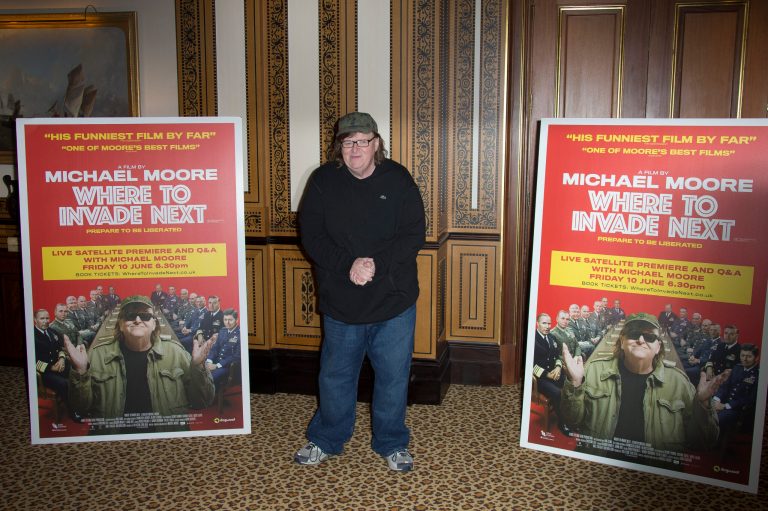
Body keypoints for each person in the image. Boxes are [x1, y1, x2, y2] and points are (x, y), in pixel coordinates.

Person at [295, 112, 425, 471]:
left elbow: (414, 234)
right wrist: (348, 264)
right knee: (336, 376)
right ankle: (326, 438)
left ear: (376, 144)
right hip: (342, 302)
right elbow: (312, 237)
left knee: (393, 376)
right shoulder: (322, 181)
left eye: (362, 141)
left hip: (393, 301)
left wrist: (375, 264)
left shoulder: (398, 179)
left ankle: (391, 442)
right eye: (347, 142)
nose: (355, 149)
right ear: (340, 146)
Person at [560, 313, 726, 462]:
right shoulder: (594, 371)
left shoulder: (679, 382)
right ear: (622, 341)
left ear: (658, 347)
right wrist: (574, 383)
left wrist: (704, 406)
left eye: (649, 337)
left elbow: (702, 442)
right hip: (597, 466)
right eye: (633, 334)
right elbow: (571, 421)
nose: (641, 339)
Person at [64, 295, 215, 434]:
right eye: (130, 315)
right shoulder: (97, 355)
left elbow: (201, 401)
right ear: (120, 324)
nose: (137, 319)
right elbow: (80, 408)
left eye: (145, 316)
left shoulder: (177, 353)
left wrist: (199, 367)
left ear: (154, 323)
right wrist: (81, 372)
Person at [714, 344, 759, 440]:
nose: (745, 359)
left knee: (717, 418)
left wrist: (725, 406)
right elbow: (725, 386)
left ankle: (714, 442)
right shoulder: (737, 368)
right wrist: (716, 400)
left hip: (738, 409)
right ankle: (702, 438)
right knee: (703, 409)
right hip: (722, 403)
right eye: (742, 355)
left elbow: (750, 399)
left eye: (749, 356)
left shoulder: (758, 374)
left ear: (756, 358)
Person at [531, 313, 567, 432]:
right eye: (544, 323)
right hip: (540, 378)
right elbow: (530, 365)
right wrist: (547, 374)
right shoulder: (532, 338)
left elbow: (557, 356)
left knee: (569, 383)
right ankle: (562, 423)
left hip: (553, 373)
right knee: (557, 393)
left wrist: (557, 367)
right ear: (537, 323)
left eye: (549, 323)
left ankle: (571, 415)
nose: (547, 326)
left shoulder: (551, 338)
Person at [33, 309, 69, 399]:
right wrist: (51, 367)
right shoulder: (32, 336)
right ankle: (72, 410)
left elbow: (59, 348)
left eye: (47, 318)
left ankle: (81, 401)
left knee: (75, 371)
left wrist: (61, 359)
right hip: (44, 373)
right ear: (35, 320)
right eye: (42, 318)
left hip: (58, 365)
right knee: (64, 384)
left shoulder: (51, 331)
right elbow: (32, 362)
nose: (46, 321)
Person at [205, 309, 241, 389]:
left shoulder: (240, 334)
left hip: (228, 367)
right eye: (225, 319)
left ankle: (207, 398)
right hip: (214, 362)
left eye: (230, 320)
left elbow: (237, 356)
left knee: (208, 378)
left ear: (236, 320)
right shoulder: (223, 330)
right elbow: (215, 348)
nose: (227, 322)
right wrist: (209, 361)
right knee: (197, 372)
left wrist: (216, 366)